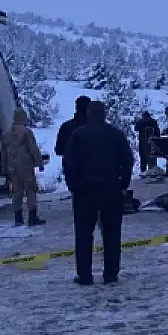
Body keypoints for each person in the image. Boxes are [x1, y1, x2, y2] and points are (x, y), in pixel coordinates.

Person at [63, 101, 134, 285]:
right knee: (112, 233)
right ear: (104, 114)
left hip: (85, 191)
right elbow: (127, 161)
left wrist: (74, 186)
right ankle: (111, 273)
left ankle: (85, 275)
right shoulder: (116, 134)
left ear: (88, 114)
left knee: (84, 233)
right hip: (111, 189)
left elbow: (69, 163)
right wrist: (122, 184)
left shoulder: (78, 135)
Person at [1, 107, 47, 226]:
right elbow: (33, 149)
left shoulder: (6, 134)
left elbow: (3, 154)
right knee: (30, 190)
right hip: (26, 166)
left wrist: (4, 168)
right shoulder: (26, 132)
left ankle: (18, 218)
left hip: (12, 167)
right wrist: (40, 163)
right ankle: (32, 217)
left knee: (16, 192)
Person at [134, 110, 162, 176]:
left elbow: (157, 133)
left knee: (152, 158)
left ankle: (153, 172)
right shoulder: (141, 122)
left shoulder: (153, 122)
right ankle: (143, 172)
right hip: (143, 143)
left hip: (151, 144)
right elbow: (136, 128)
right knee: (143, 158)